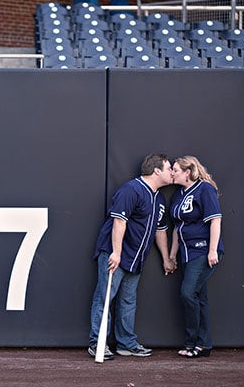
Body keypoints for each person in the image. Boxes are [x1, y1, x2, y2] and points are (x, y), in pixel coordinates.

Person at [88, 153, 176, 360]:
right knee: (104, 298)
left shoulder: (159, 198)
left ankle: (126, 343)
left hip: (136, 258)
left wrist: (166, 258)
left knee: (128, 301)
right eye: (169, 168)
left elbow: (160, 230)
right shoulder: (131, 190)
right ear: (157, 171)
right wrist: (116, 253)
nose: (172, 172)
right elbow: (119, 221)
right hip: (116, 254)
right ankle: (97, 343)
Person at [170, 155, 223, 358]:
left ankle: (194, 342)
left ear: (188, 172)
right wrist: (173, 254)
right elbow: (177, 228)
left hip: (202, 251)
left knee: (187, 293)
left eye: (176, 169)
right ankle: (202, 345)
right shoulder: (178, 194)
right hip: (185, 253)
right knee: (199, 297)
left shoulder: (204, 189)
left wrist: (212, 250)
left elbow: (215, 221)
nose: (172, 173)